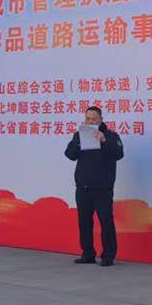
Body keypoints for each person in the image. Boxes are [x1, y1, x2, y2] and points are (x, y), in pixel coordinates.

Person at [65, 105, 125, 266]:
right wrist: (78, 142)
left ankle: (108, 255)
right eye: (87, 119)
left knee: (106, 222)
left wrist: (103, 141)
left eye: (93, 119)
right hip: (83, 187)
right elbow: (69, 155)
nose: (90, 122)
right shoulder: (79, 135)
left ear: (101, 120)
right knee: (84, 222)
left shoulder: (110, 136)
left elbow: (118, 154)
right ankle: (88, 253)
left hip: (103, 188)